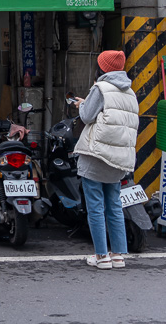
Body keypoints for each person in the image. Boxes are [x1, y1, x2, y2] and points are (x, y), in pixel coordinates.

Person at [72, 50, 139, 270]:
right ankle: (118, 255)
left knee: (95, 206)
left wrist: (82, 104)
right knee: (114, 205)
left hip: (98, 155)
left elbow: (86, 116)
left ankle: (101, 256)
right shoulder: (130, 92)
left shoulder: (100, 88)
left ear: (102, 68)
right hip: (119, 157)